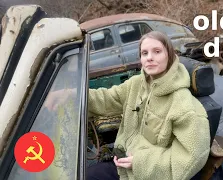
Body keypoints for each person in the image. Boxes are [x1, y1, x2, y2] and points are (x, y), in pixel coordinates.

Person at [48, 31, 211, 180]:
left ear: (169, 55)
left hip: (148, 174)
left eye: (157, 51)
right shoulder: (137, 84)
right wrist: (72, 95)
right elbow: (107, 99)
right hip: (122, 163)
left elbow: (192, 157)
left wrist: (140, 163)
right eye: (144, 53)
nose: (149, 57)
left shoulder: (184, 104)